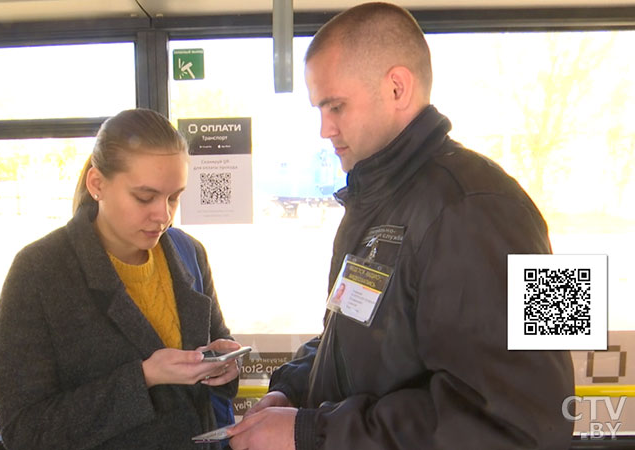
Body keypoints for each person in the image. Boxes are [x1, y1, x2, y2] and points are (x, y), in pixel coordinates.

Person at [227, 3, 575, 450]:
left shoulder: (485, 206)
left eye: (335, 106)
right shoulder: (379, 203)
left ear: (397, 87)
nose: (324, 128)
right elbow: (354, 337)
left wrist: (314, 432)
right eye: (319, 109)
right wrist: (292, 390)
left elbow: (526, 423)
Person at [0, 108, 242, 450]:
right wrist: (144, 378)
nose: (163, 215)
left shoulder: (188, 252)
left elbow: (216, 346)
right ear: (97, 184)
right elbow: (25, 431)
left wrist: (222, 368)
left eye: (174, 196)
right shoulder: (39, 271)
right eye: (144, 197)